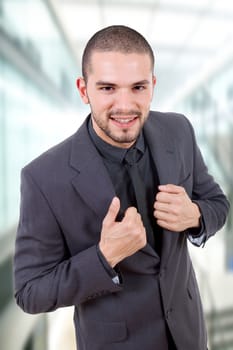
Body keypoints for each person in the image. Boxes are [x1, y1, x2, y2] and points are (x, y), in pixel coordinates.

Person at [14, 25, 229, 350]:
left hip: (188, 334)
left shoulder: (179, 131)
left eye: (138, 87)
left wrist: (196, 215)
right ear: (84, 90)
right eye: (108, 88)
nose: (125, 105)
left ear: (152, 86)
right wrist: (104, 257)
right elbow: (29, 291)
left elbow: (217, 203)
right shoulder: (44, 177)